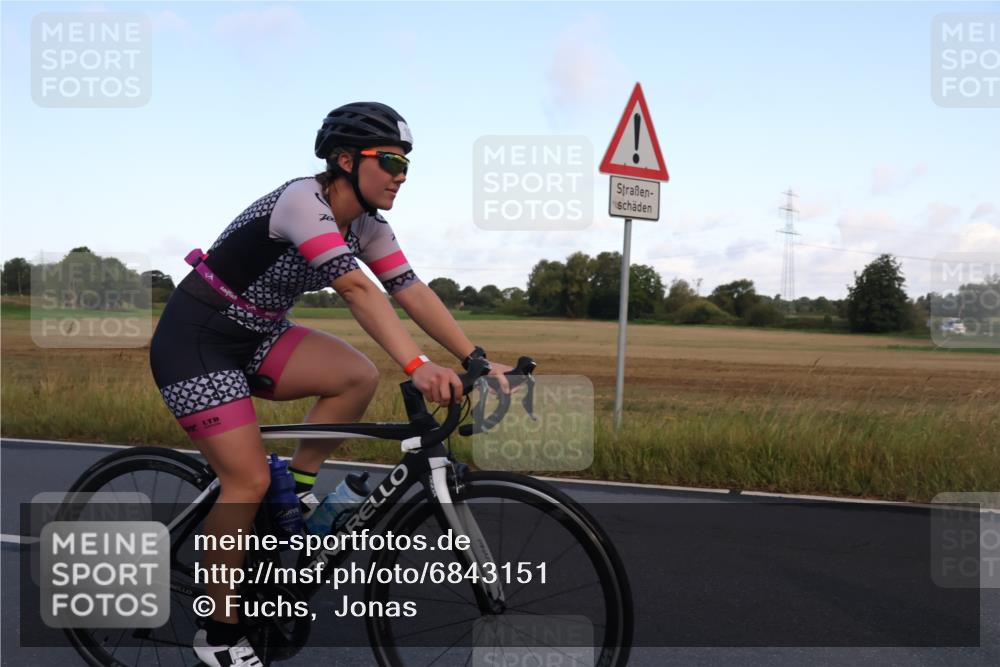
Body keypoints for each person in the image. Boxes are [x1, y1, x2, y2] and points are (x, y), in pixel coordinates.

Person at [148, 101, 513, 667]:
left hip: (259, 334)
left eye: (407, 165)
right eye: (389, 160)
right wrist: (419, 366)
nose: (400, 175)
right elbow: (358, 290)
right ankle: (217, 632)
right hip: (195, 342)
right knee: (243, 479)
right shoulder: (303, 201)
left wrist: (477, 359)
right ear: (344, 160)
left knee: (356, 376)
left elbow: (408, 289)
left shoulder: (367, 223)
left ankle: (294, 491)